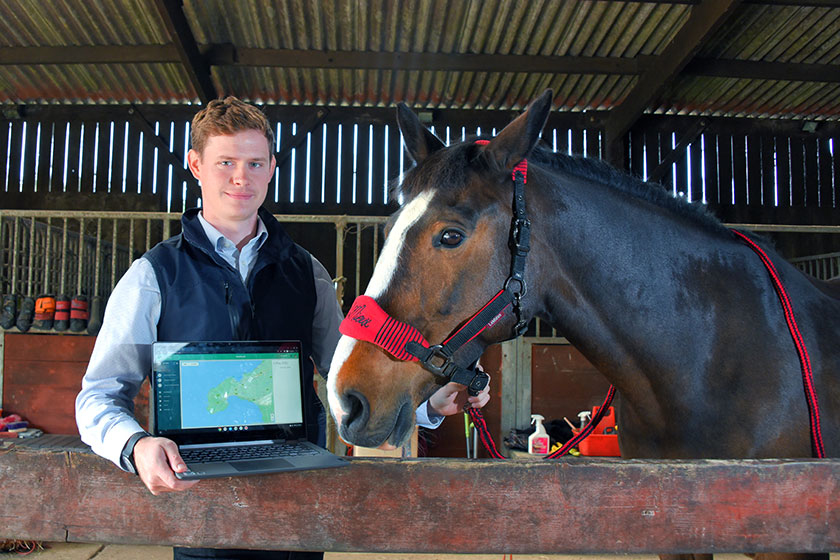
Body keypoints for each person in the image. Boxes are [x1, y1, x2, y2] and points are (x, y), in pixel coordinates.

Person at [75, 96, 491, 560]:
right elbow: (98, 395)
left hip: (298, 508)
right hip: (204, 514)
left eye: (255, 163)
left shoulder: (306, 271)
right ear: (195, 164)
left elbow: (343, 382)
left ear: (272, 167)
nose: (241, 177)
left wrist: (430, 404)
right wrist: (134, 445)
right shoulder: (152, 276)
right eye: (225, 162)